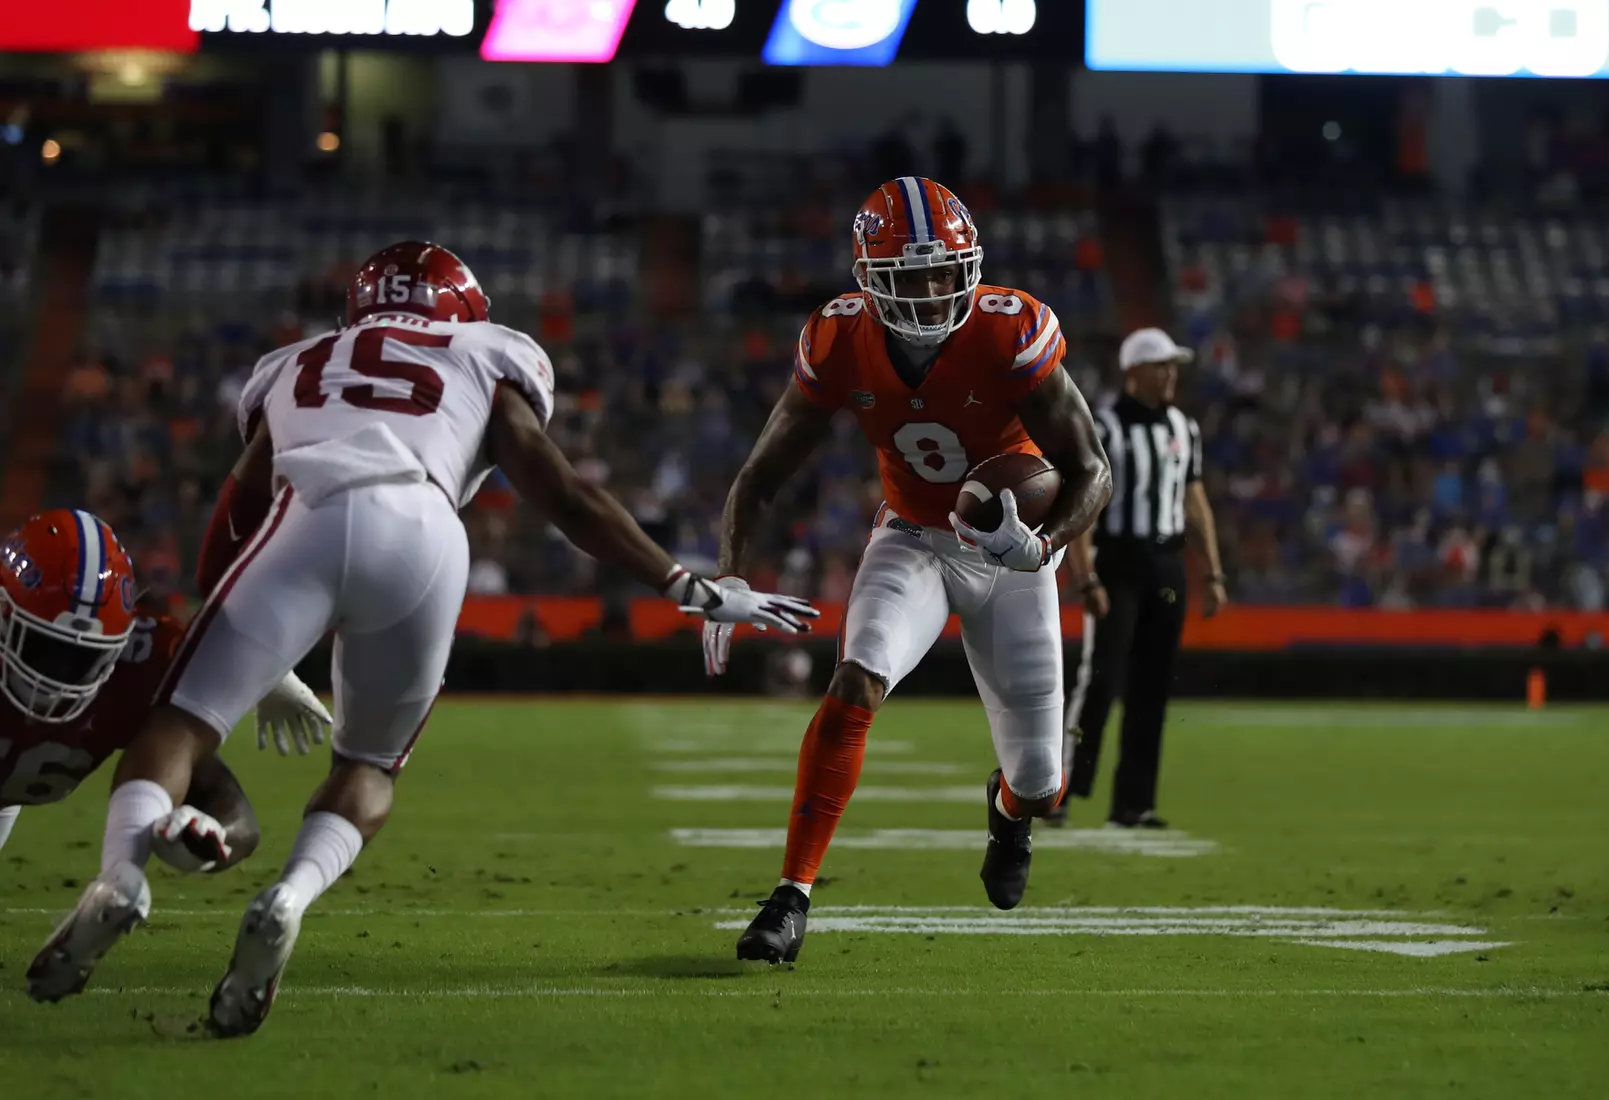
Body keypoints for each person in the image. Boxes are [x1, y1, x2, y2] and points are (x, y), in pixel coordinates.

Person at [30, 242, 817, 1034]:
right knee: (368, 766)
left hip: (306, 511)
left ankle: (120, 877)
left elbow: (227, 534)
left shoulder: (302, 360)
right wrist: (682, 585)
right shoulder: (486, 352)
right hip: (427, 531)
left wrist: (253, 653)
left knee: (180, 726)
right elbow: (563, 492)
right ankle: (290, 895)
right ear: (464, 311)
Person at [706, 177, 1112, 963]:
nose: (930, 293)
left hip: (1010, 552)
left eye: (943, 271)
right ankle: (790, 897)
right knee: (857, 678)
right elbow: (761, 472)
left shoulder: (1008, 328)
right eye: (910, 275)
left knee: (1041, 781)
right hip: (913, 537)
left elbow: (1091, 468)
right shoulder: (838, 337)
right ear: (867, 278)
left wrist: (1041, 545)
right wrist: (729, 575)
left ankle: (1007, 814)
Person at [2, 509, 331, 873]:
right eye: (42, 647)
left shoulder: (138, 667)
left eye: (86, 656)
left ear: (119, 643)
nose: (60, 676)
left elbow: (238, 822)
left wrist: (203, 841)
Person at [1055, 328, 1226, 828]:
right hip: (1118, 563)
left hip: (1166, 564)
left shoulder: (1183, 426)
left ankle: (1134, 802)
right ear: (1134, 371)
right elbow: (1084, 505)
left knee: (1153, 686)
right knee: (1101, 679)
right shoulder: (1103, 427)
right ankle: (1063, 785)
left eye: (1174, 365)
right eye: (1162, 365)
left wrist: (1213, 571)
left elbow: (1194, 502)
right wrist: (1085, 578)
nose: (1171, 374)